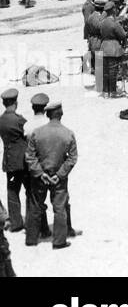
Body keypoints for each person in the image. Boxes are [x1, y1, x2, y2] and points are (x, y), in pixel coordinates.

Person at [24, 100, 76, 249]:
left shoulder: (37, 132)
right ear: (61, 114)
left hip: (40, 177)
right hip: (58, 178)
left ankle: (31, 239)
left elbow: (30, 156)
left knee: (35, 206)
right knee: (60, 208)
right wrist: (59, 174)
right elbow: (72, 158)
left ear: (47, 114)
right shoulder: (68, 133)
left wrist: (40, 173)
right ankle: (59, 241)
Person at [1, 89, 26, 232]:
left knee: (12, 191)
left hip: (9, 161)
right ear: (15, 102)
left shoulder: (1, 120)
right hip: (23, 161)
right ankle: (33, 222)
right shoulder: (19, 120)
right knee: (30, 190)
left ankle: (16, 223)